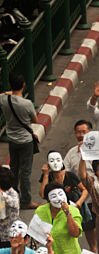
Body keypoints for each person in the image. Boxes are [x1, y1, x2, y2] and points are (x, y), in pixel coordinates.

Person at [0, 73, 38, 210]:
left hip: (12, 139)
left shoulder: (4, 99)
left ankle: (13, 194)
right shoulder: (26, 104)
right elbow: (35, 120)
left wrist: (8, 92)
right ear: (23, 85)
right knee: (25, 172)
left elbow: (3, 94)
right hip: (26, 141)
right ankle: (26, 200)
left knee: (14, 169)